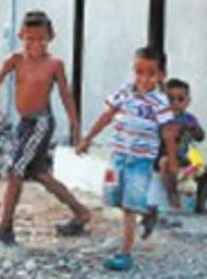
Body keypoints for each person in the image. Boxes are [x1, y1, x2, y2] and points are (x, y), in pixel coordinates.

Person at [0, 10, 91, 246]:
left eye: (41, 39)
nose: (35, 44)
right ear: (21, 36)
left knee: (15, 171)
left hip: (41, 123)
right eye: (30, 39)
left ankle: (4, 229)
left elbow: (66, 96)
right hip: (24, 124)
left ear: (50, 37)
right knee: (39, 173)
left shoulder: (53, 64)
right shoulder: (15, 60)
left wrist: (76, 129)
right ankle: (81, 212)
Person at [76, 47, 177, 272]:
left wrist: (172, 160)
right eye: (139, 72)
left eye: (151, 73)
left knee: (130, 206)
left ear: (161, 75)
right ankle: (147, 212)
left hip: (140, 161)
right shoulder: (124, 93)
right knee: (115, 197)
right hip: (118, 156)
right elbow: (106, 116)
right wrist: (87, 139)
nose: (144, 78)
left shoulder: (160, 102)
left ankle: (125, 252)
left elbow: (168, 132)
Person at [158, 78, 207, 214]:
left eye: (180, 99)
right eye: (170, 99)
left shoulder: (190, 119)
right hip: (164, 155)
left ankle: (201, 203)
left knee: (206, 172)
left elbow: (200, 137)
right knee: (164, 163)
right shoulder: (161, 118)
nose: (175, 103)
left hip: (184, 155)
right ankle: (172, 193)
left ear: (187, 101)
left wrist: (194, 129)